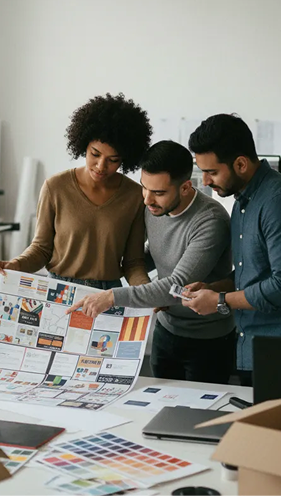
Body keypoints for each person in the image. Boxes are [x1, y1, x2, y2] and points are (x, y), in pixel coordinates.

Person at [68, 141, 235, 384]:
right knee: (159, 410)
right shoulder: (152, 207)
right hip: (166, 331)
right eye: (145, 188)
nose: (147, 200)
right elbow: (147, 256)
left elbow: (176, 285)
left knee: (195, 417)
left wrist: (111, 297)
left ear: (186, 187)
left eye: (158, 192)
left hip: (207, 340)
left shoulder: (211, 221)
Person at [184, 114, 281, 386]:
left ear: (240, 163)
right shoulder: (243, 200)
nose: (204, 181)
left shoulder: (279, 201)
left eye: (212, 172)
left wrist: (220, 301)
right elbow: (254, 271)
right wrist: (215, 287)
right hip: (256, 349)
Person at [0, 92, 152, 290]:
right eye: (95, 154)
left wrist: (149, 293)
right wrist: (14, 266)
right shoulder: (55, 187)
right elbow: (41, 249)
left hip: (108, 295)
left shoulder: (135, 196)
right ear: (84, 145)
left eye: (113, 160)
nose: (101, 166)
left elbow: (133, 263)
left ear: (125, 158)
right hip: (58, 291)